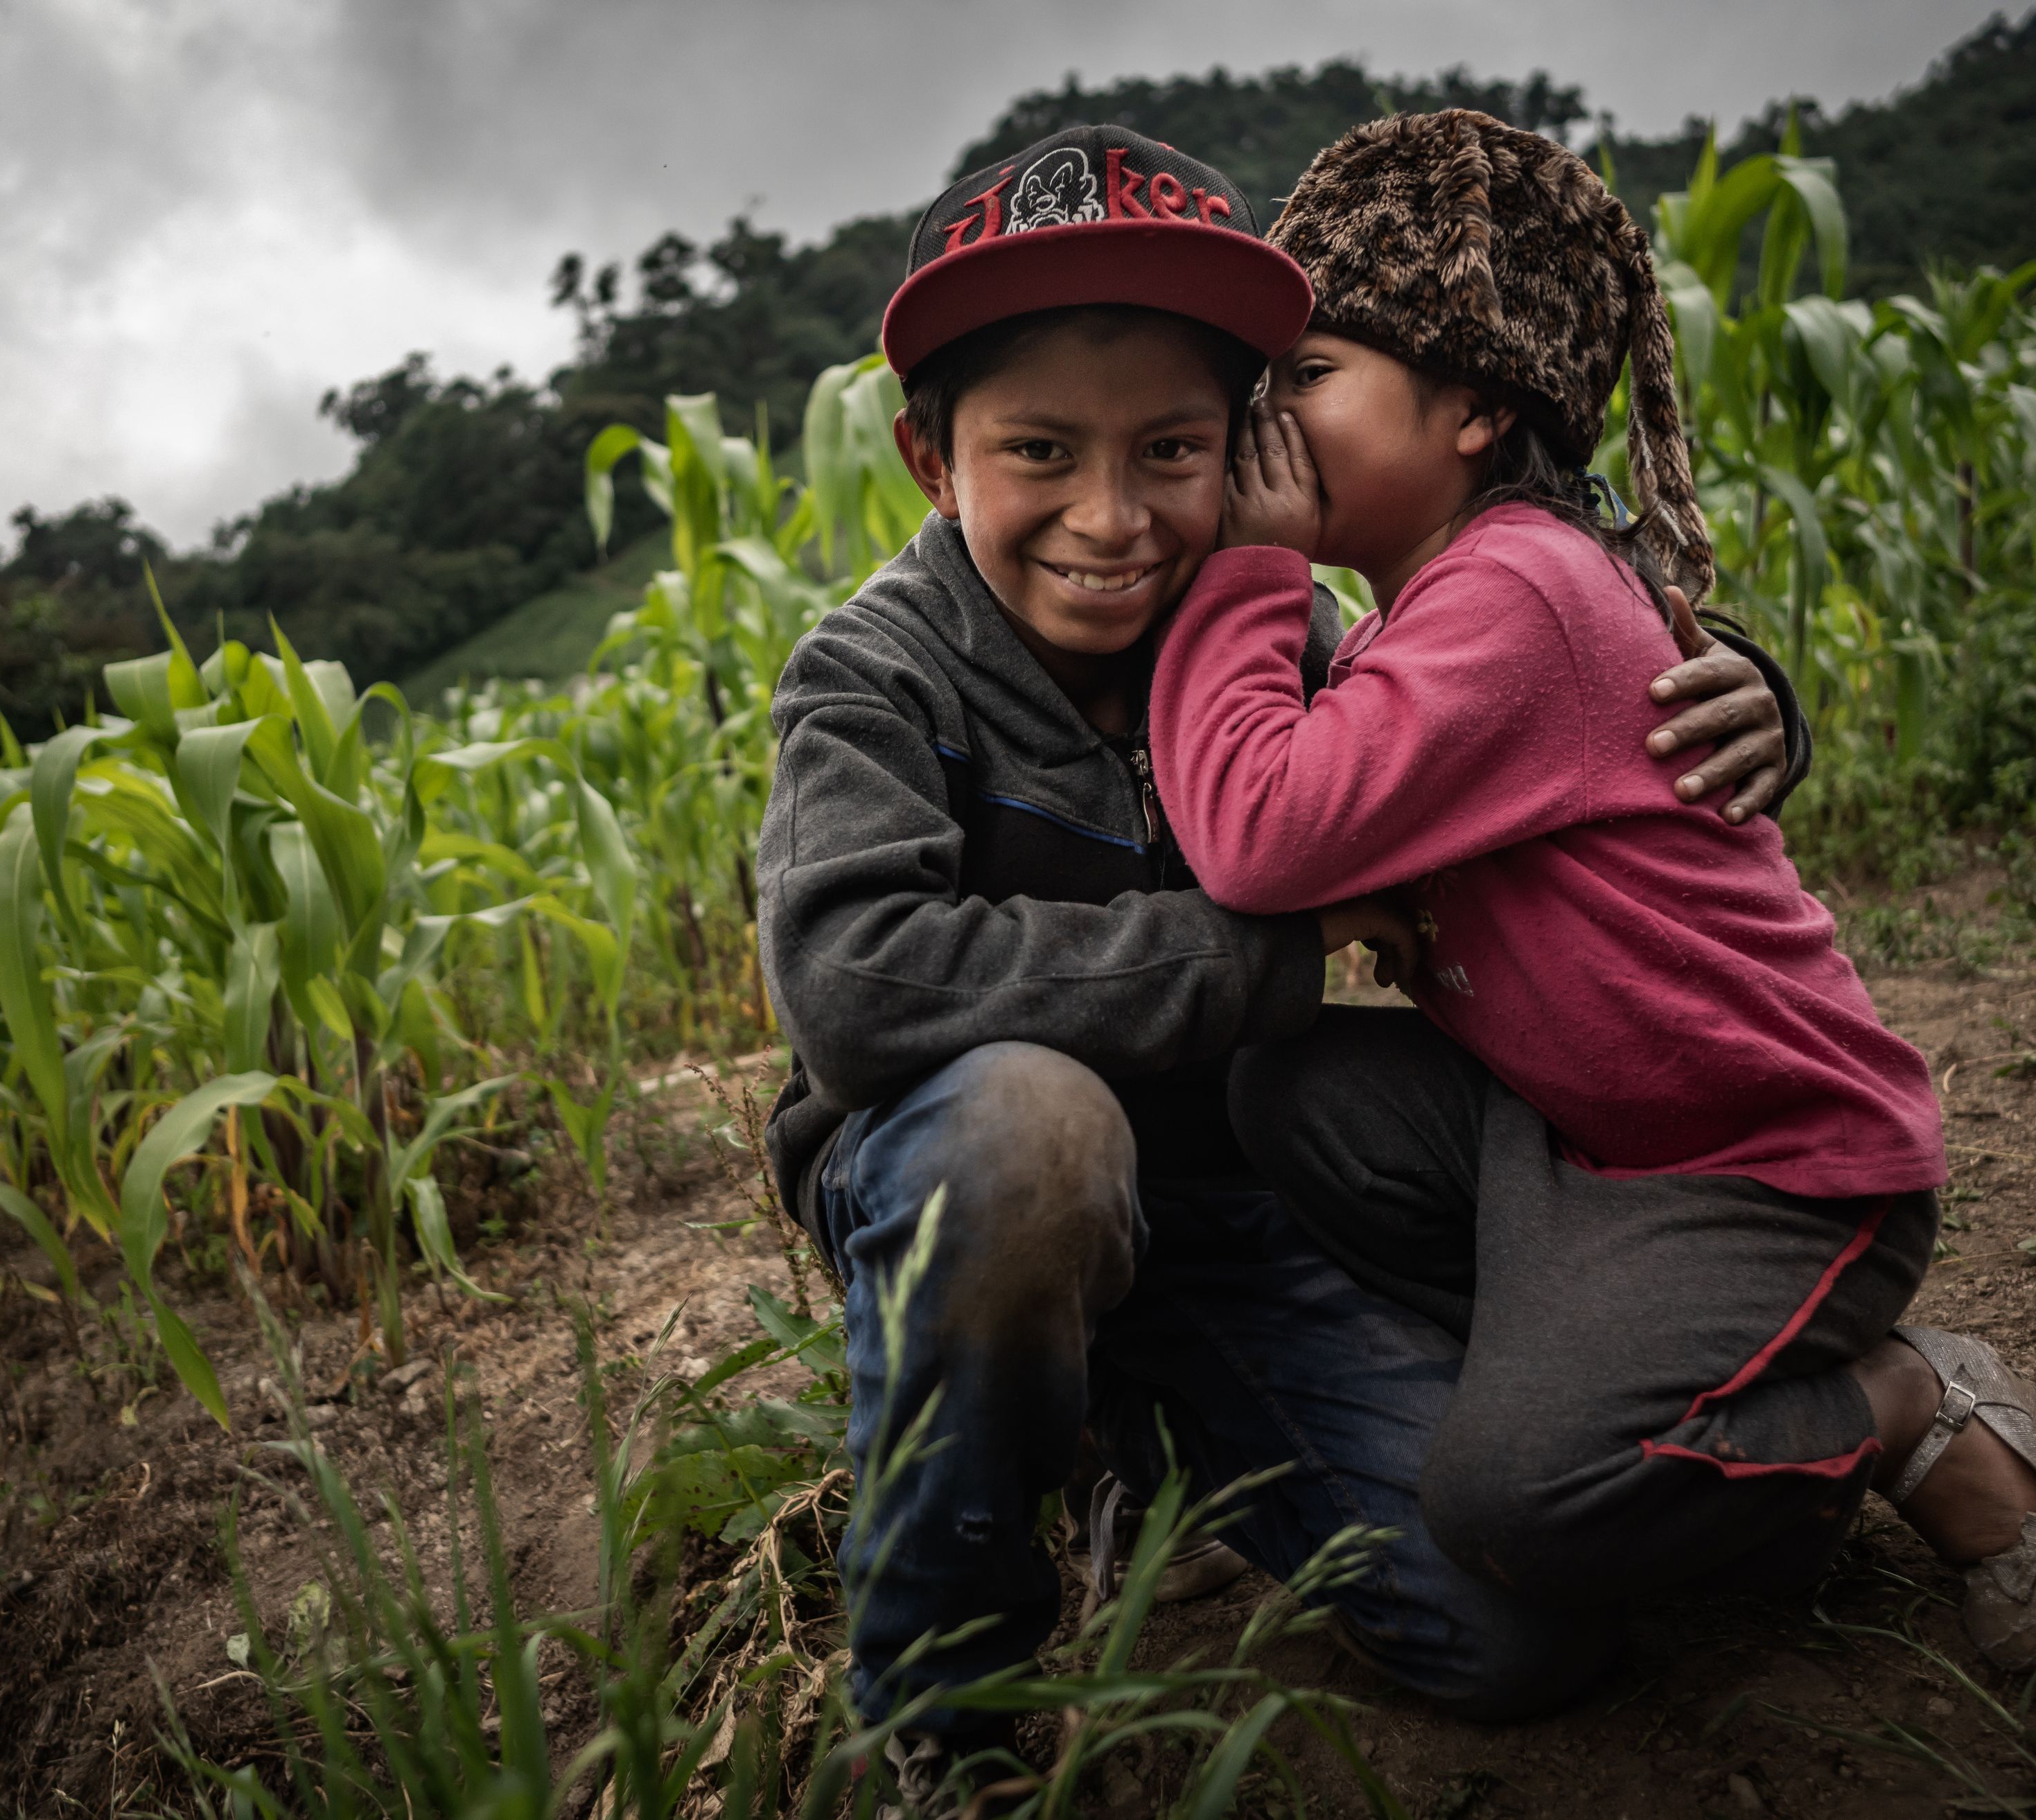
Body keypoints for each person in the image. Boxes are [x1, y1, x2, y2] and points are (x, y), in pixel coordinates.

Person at [754, 123, 1814, 1798]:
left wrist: (1741, 687)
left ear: (1243, 444)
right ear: (928, 459)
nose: (1112, 518)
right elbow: (857, 983)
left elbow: (1512, 670)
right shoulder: (876, 674)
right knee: (1033, 1132)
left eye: (1172, 449)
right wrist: (1273, 950)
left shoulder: (1266, 629)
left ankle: (1155, 1418)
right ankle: (940, 1700)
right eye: (1039, 450)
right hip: (979, 1188)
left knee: (1518, 1631)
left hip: (1236, 1216)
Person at [1144, 109, 2036, 1677]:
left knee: (1517, 1499)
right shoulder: (1438, 599)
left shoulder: (1511, 589)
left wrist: (1250, 569)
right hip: (1587, 1140)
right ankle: (1647, 1401)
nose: (1265, 417)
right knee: (1299, 1088)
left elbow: (1258, 833)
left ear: (1468, 404)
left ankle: (1905, 1403)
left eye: (1307, 376)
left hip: (1769, 1162)